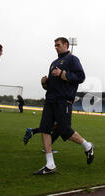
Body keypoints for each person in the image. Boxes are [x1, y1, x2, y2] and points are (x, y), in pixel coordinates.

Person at [34, 37, 94, 175]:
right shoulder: (53, 63)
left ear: (66, 45)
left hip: (64, 100)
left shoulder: (72, 59)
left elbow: (81, 77)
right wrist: (44, 83)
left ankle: (88, 146)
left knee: (65, 130)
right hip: (50, 100)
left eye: (58, 45)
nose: (56, 47)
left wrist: (62, 73)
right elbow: (50, 85)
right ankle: (50, 164)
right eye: (55, 45)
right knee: (45, 129)